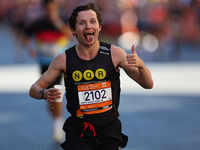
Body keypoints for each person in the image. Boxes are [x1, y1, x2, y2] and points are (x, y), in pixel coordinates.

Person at [29, 3, 153, 150]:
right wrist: (45, 93)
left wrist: (141, 65)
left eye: (93, 21)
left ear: (99, 27)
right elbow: (34, 89)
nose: (88, 26)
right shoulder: (63, 60)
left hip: (109, 130)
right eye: (82, 23)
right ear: (73, 30)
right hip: (79, 130)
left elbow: (148, 84)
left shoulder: (115, 54)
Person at [24, 0, 72, 143]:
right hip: (44, 63)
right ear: (44, 9)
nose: (51, 12)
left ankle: (58, 125)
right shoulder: (38, 23)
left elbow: (70, 35)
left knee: (56, 90)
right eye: (49, 10)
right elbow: (25, 36)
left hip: (59, 63)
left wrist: (57, 23)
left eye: (54, 9)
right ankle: (56, 121)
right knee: (49, 93)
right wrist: (30, 48)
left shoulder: (63, 21)